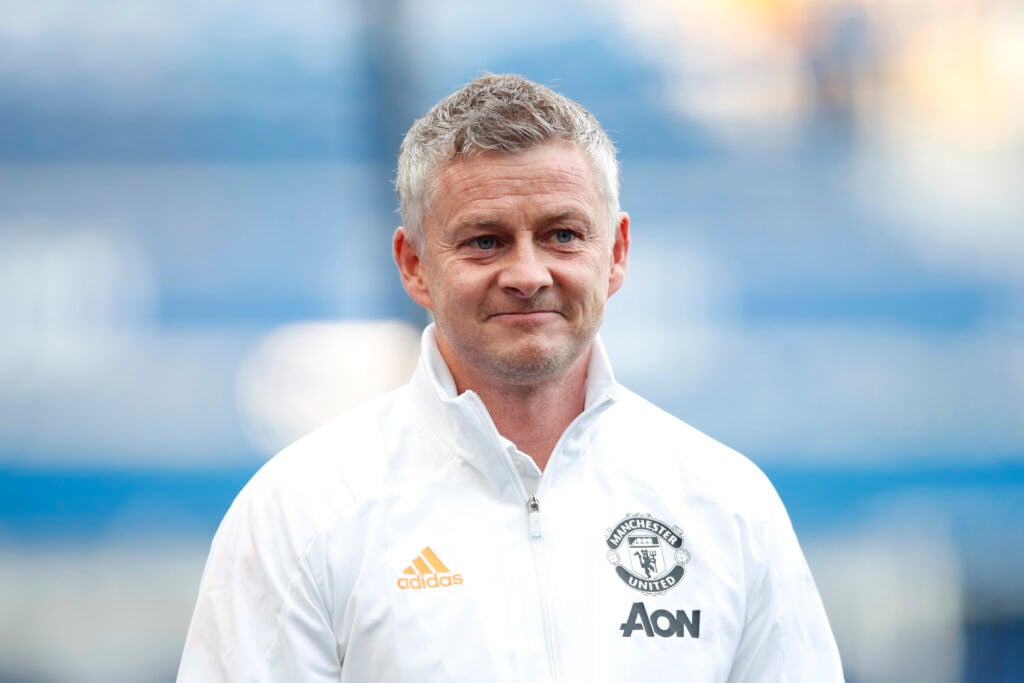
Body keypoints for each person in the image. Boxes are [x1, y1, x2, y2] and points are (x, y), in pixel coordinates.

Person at [178, 73, 843, 681]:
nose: (528, 275)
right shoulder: (300, 512)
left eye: (561, 234)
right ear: (413, 265)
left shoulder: (727, 505)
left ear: (615, 253)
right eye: (485, 240)